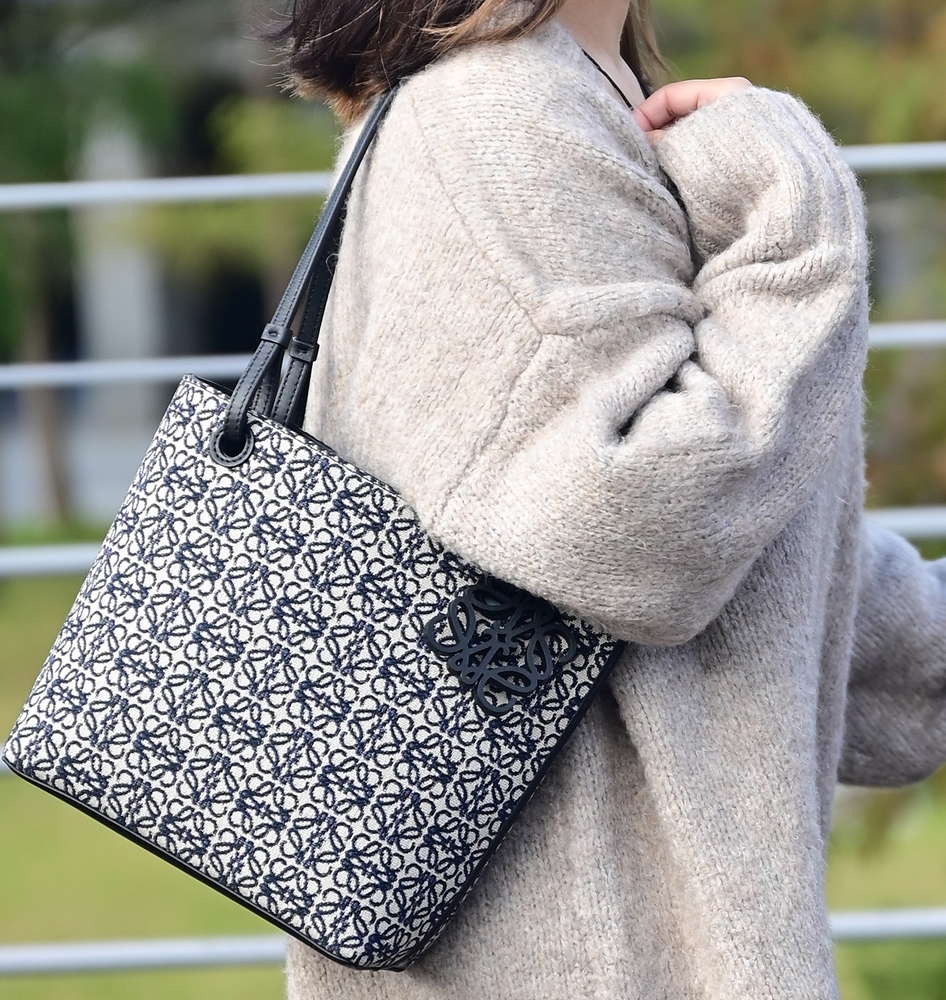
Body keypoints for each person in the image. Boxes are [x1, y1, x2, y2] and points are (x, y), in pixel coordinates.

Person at [267, 0, 946, 996]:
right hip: (588, 940)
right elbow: (640, 523)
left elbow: (755, 559)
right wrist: (798, 235)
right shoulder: (500, 118)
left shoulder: (565, 94)